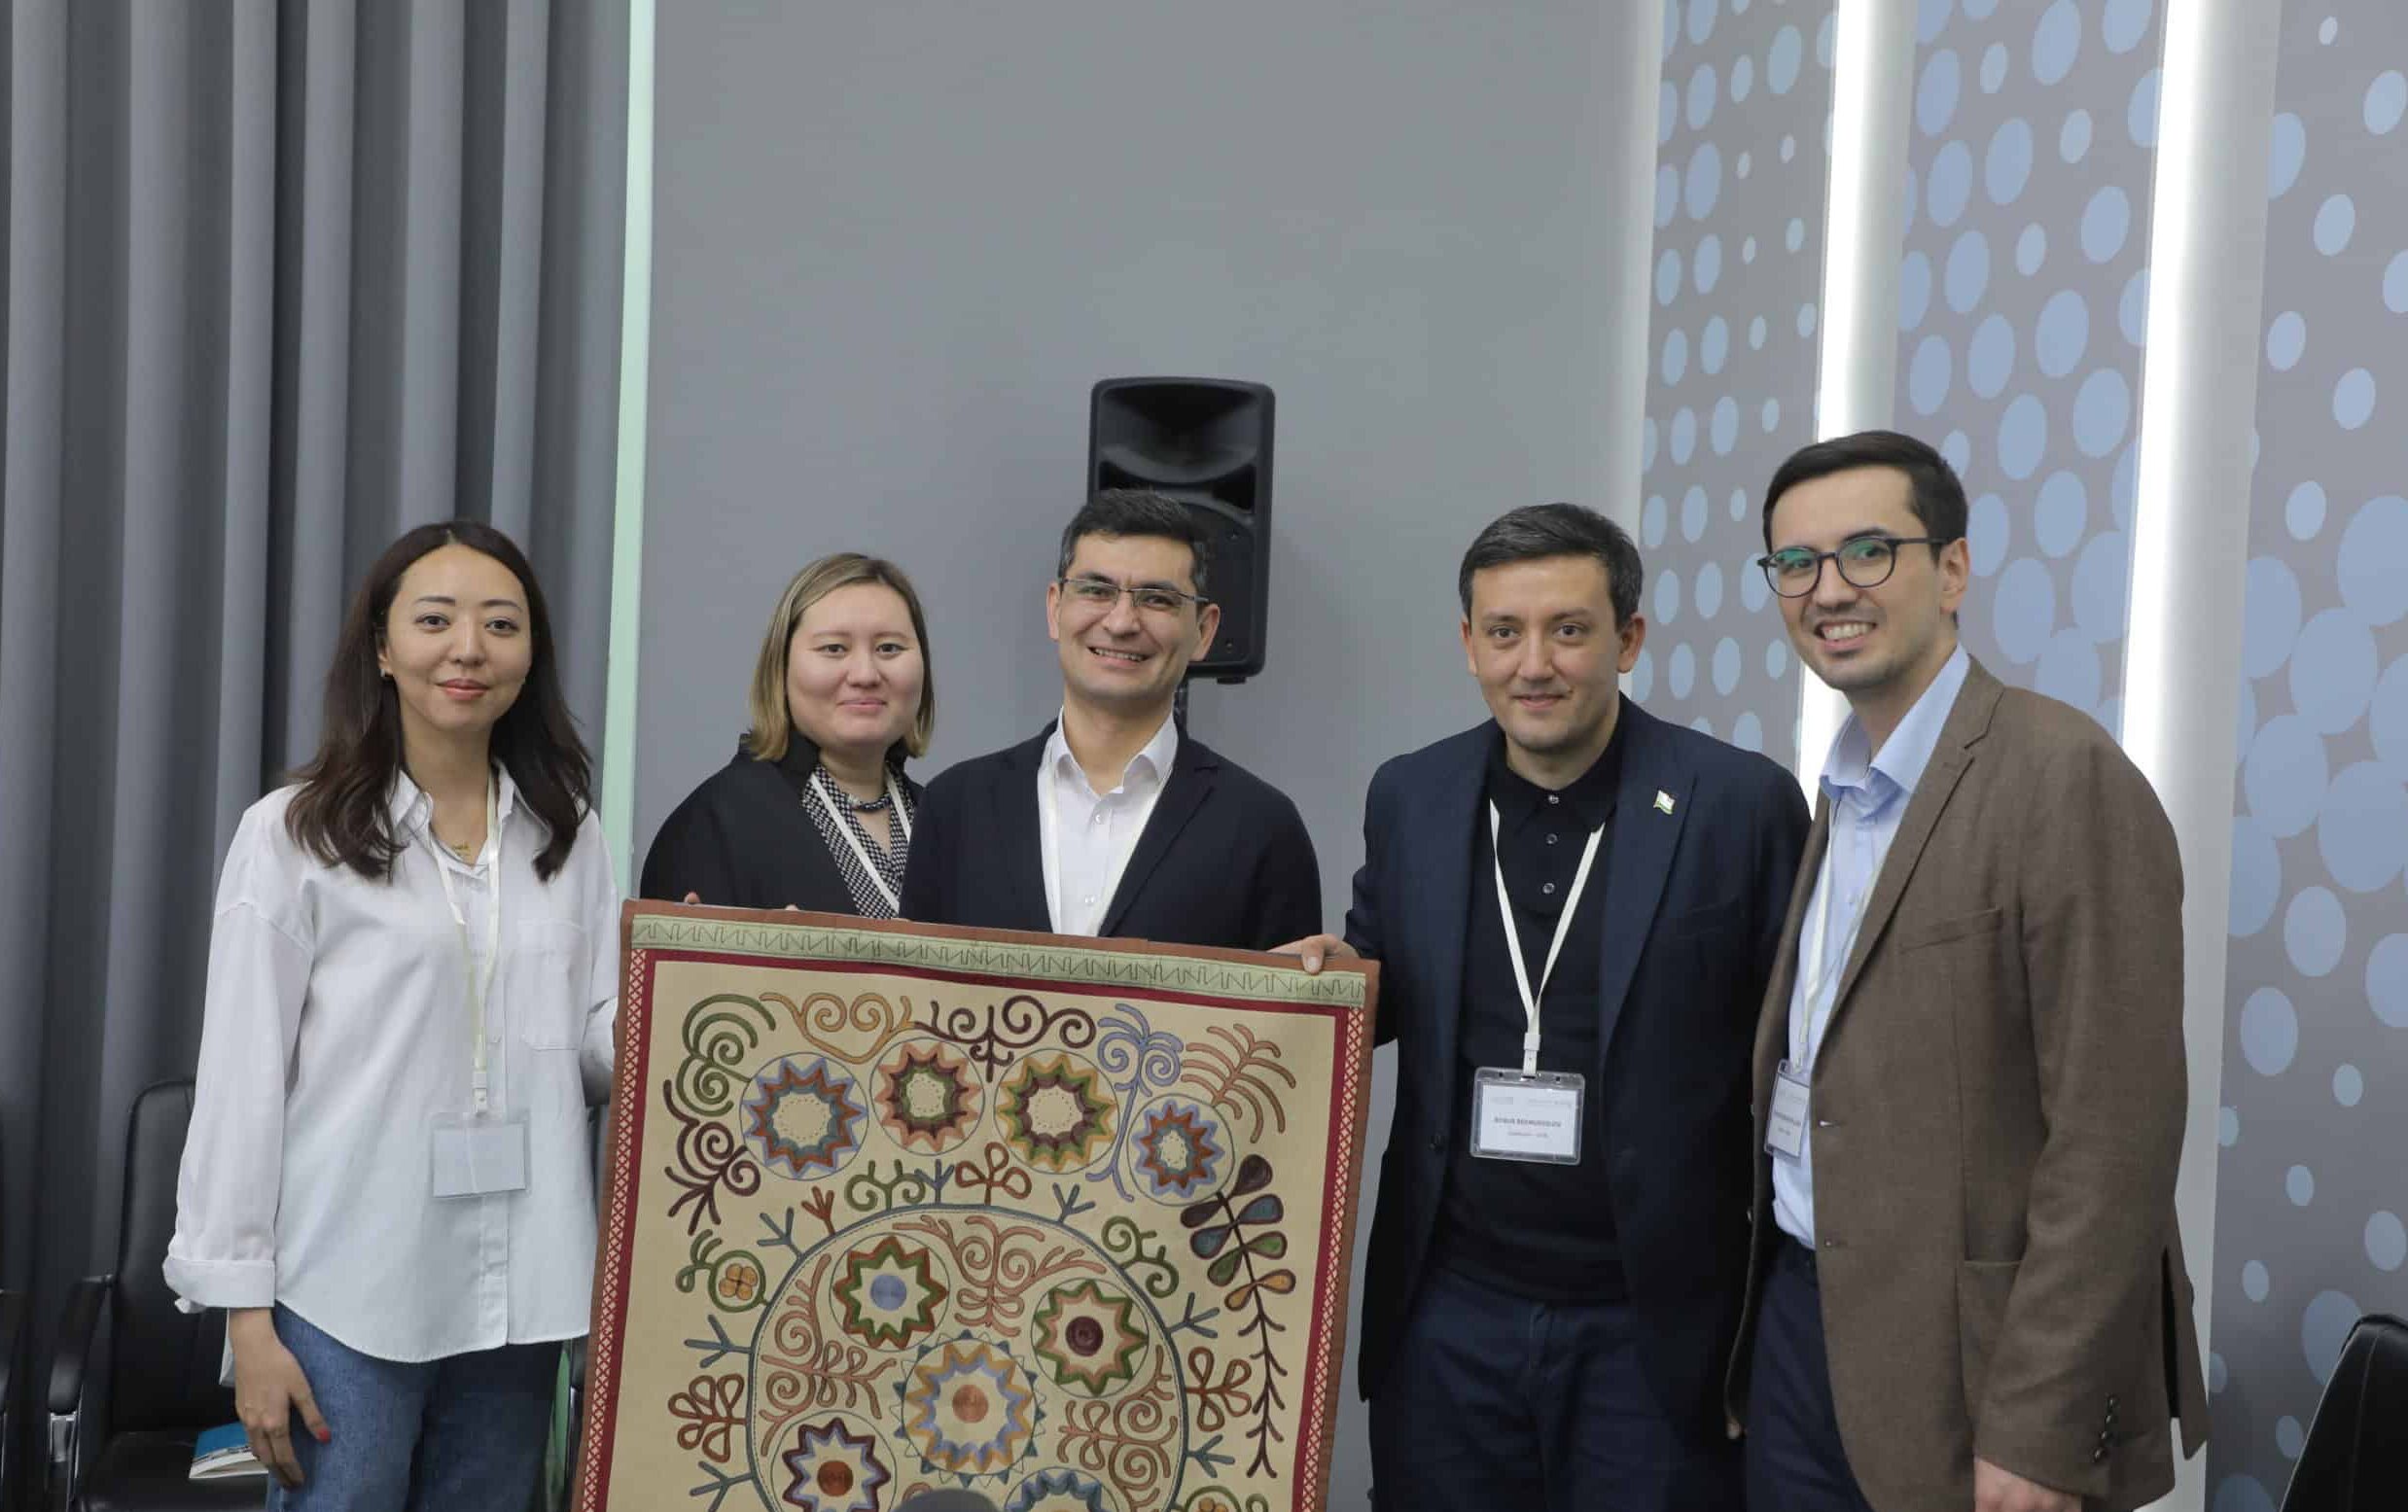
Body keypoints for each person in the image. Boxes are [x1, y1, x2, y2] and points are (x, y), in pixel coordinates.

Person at [1282, 503, 1808, 1511]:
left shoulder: (1736, 803)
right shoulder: (1413, 793)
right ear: (1467, 644)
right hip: (1449, 1316)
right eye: (1504, 632)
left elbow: (1789, 1048)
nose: (1536, 663)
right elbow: (1388, 968)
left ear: (1629, 639)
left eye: (1569, 630)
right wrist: (1334, 971)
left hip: (1650, 1323)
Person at [1728, 430, 2207, 1512]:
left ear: (1951, 569)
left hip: (1976, 1374)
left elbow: (2114, 1138)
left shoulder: (2061, 776)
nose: (1827, 589)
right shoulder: (1840, 791)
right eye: (1794, 563)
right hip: (1805, 1330)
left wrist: (2038, 1427)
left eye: (1866, 551)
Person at [165, 522, 619, 1509]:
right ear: (380, 646)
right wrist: (246, 1321)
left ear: (530, 653)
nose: (469, 648)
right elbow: (242, 1080)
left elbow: (589, 1041)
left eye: (501, 624)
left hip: (524, 1285)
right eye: (435, 620)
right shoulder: (292, 834)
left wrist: (694, 995)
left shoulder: (568, 832)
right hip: (349, 1284)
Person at [899, 488, 1319, 949]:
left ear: (1204, 631)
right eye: (1097, 590)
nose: (1121, 622)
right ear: (1056, 608)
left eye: (1156, 599)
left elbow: (1287, 1020)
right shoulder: (957, 807)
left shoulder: (1263, 827)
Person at [642, 553, 934, 915]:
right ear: (780, 668)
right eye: (834, 649)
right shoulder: (715, 824)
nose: (865, 674)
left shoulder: (950, 823)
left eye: (889, 648)